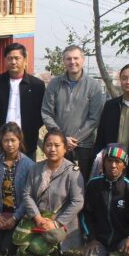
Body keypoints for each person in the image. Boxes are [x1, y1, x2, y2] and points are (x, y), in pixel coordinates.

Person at [16, 130, 84, 256]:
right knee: (16, 240)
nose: (52, 149)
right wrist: (38, 218)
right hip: (39, 220)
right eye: (48, 145)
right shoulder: (35, 168)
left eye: (57, 145)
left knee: (37, 245)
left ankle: (54, 247)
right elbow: (27, 194)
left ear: (65, 149)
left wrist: (56, 223)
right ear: (43, 148)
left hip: (60, 222)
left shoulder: (73, 172)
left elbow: (78, 202)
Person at [41, 44, 104, 181]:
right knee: (59, 182)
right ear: (63, 61)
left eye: (76, 58)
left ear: (83, 60)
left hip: (84, 146)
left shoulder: (93, 86)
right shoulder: (54, 84)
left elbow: (94, 118)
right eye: (68, 59)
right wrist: (63, 138)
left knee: (83, 182)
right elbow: (47, 113)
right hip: (59, 146)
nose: (72, 62)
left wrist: (75, 139)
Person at [80, 144, 129, 256]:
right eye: (109, 161)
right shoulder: (93, 185)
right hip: (99, 239)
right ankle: (104, 255)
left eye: (118, 162)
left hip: (122, 239)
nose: (113, 165)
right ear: (104, 163)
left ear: (124, 165)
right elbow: (86, 214)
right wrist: (92, 239)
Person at [0, 43, 46, 160]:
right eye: (10, 58)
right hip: (3, 141)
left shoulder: (37, 85)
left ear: (25, 60)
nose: (13, 62)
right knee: (4, 175)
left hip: (27, 141)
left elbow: (42, 113)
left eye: (17, 58)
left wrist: (30, 127)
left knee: (26, 175)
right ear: (5, 60)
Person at [0, 122, 35, 256]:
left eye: (13, 140)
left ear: (19, 140)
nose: (10, 144)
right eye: (6, 140)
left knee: (6, 251)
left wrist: (15, 218)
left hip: (18, 216)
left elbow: (28, 196)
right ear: (1, 141)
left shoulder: (29, 165)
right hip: (0, 214)